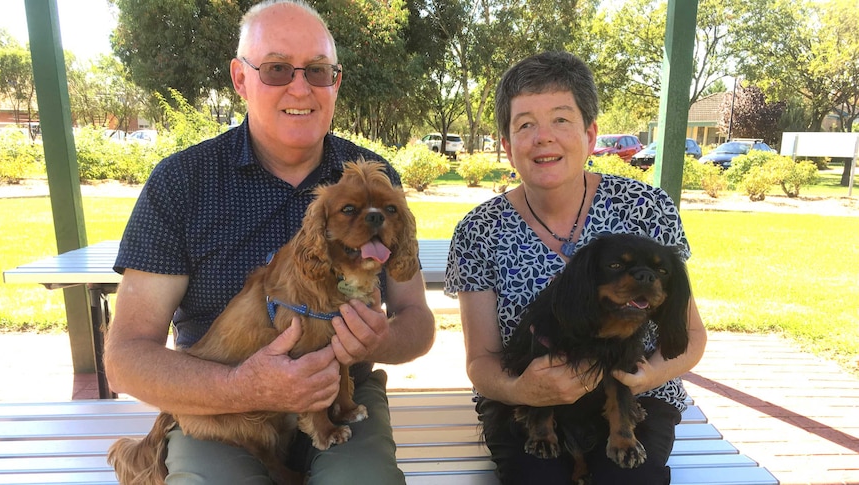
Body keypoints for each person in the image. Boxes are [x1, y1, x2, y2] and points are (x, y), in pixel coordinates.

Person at [103, 1, 435, 483]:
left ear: (335, 82)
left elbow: (418, 322)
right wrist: (244, 387)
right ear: (241, 78)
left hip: (343, 392)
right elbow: (126, 358)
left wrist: (378, 340)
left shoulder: (375, 181)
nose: (300, 87)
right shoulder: (182, 181)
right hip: (221, 410)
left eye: (318, 71)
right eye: (277, 69)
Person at [444, 51, 707, 484]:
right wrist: (521, 390)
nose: (543, 137)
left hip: (635, 394)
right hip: (526, 401)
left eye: (561, 120)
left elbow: (691, 337)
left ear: (590, 134)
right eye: (525, 124)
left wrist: (645, 375)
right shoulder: (480, 229)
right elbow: (481, 363)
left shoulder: (646, 208)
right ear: (508, 147)